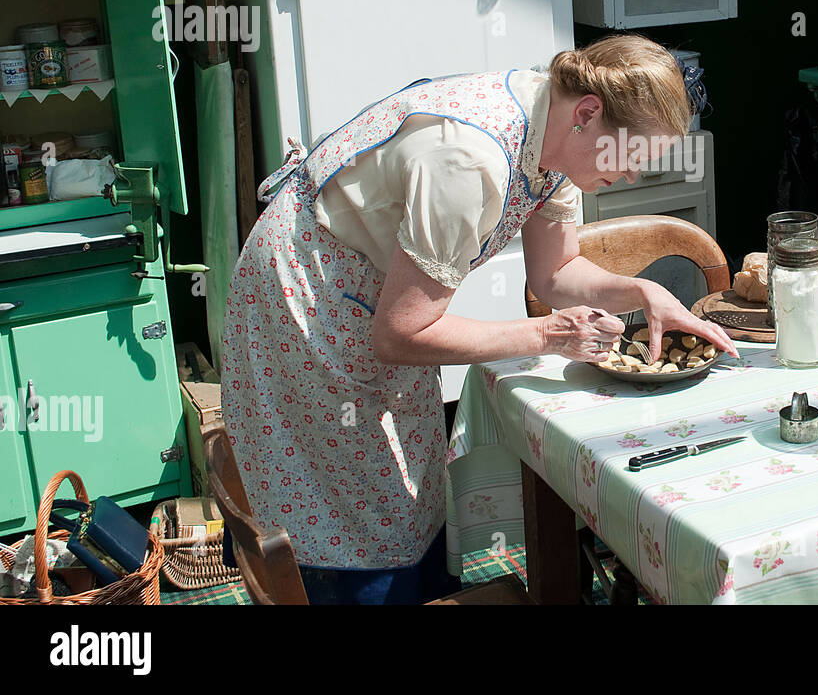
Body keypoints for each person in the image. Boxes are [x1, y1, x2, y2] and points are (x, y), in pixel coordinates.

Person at [220, 34, 736, 603]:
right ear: (589, 112)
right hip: (307, 292)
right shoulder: (471, 161)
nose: (634, 176)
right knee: (352, 504)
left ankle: (422, 590)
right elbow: (401, 333)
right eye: (631, 158)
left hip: (377, 292)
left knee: (411, 489)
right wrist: (546, 334)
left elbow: (556, 271)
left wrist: (641, 290)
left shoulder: (557, 138)